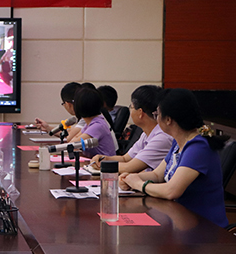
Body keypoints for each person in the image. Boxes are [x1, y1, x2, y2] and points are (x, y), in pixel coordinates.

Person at [120, 88, 229, 228]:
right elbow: (157, 175)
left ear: (168, 120)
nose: (156, 119)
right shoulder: (178, 143)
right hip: (179, 220)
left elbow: (172, 191)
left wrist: (138, 184)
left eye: (157, 114)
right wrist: (130, 178)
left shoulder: (199, 148)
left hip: (204, 229)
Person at [91, 85, 173, 173]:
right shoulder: (146, 133)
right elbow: (125, 158)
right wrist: (105, 159)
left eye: (132, 107)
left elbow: (129, 167)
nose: (130, 110)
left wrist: (102, 165)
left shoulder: (162, 137)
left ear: (140, 112)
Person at [68, 87, 116, 158]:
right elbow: (74, 139)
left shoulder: (97, 125)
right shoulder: (91, 123)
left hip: (104, 164)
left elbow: (72, 144)